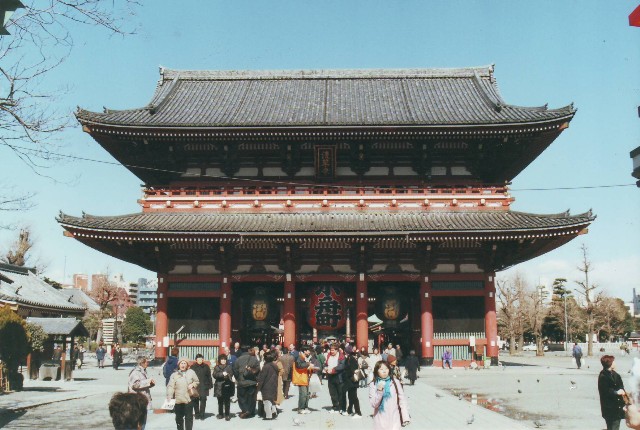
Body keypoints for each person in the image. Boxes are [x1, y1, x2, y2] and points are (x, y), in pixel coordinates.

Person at [369, 360, 410, 430]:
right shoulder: (373, 384)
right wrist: (379, 391)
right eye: (381, 369)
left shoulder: (395, 382)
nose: (384, 371)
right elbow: (374, 404)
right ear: (376, 371)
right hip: (380, 421)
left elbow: (402, 399)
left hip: (394, 420)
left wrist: (405, 416)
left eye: (386, 369)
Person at [166, 357, 199, 430]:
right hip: (178, 400)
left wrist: (193, 384)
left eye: (184, 363)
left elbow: (197, 381)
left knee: (189, 418)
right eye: (181, 363)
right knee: (178, 418)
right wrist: (169, 395)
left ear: (187, 365)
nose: (183, 365)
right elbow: (171, 386)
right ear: (179, 365)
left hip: (189, 398)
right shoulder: (174, 374)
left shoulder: (191, 372)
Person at [598, 355, 626, 430]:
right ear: (610, 363)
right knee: (612, 426)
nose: (615, 363)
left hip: (618, 407)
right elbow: (605, 391)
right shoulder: (603, 376)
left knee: (615, 426)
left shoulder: (616, 375)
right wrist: (616, 392)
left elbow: (622, 387)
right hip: (609, 407)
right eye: (613, 361)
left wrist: (625, 402)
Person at [233, 346, 260, 419]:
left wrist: (238, 378)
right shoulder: (255, 359)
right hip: (252, 382)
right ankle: (251, 412)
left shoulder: (238, 360)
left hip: (242, 382)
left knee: (242, 397)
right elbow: (258, 370)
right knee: (251, 398)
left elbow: (235, 371)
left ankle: (245, 410)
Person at [323, 343, 346, 414]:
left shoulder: (341, 356)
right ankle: (335, 406)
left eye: (333, 350)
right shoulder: (328, 355)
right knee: (332, 393)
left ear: (337, 350)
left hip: (339, 377)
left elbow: (342, 366)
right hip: (330, 377)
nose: (331, 351)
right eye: (331, 350)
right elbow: (326, 364)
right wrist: (325, 368)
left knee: (340, 393)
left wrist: (333, 370)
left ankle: (342, 408)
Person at [257, 350, 279, 420]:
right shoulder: (275, 366)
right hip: (273, 385)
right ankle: (274, 412)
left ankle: (268, 416)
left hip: (266, 386)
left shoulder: (266, 367)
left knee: (266, 401)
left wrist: (258, 388)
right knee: (271, 400)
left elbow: (262, 379)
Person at [190, 353, 213, 420]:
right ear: (196, 360)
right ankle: (197, 414)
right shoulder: (193, 367)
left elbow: (209, 376)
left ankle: (202, 414)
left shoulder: (206, 366)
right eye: (198, 359)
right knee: (195, 400)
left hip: (204, 385)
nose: (200, 360)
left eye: (201, 359)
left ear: (203, 359)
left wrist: (210, 385)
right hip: (195, 386)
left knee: (203, 399)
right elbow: (190, 377)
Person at [212, 354, 234, 421]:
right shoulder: (217, 367)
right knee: (220, 401)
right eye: (222, 359)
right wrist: (222, 374)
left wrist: (227, 375)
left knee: (227, 401)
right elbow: (214, 375)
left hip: (227, 385)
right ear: (219, 360)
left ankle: (227, 414)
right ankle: (220, 414)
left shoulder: (229, 367)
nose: (223, 361)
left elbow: (231, 374)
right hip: (219, 386)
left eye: (224, 359)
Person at [344, 349, 362, 418]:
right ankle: (349, 409)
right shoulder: (349, 358)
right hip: (350, 381)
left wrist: (346, 373)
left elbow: (352, 370)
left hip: (352, 381)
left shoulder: (351, 359)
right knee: (350, 396)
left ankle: (358, 412)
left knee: (354, 396)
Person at [293, 350, 313, 414]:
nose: (309, 352)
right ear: (304, 351)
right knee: (303, 394)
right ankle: (301, 408)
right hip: (301, 378)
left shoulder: (304, 358)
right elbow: (299, 366)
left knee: (307, 394)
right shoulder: (299, 357)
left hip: (305, 378)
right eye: (308, 351)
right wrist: (308, 364)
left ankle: (305, 407)